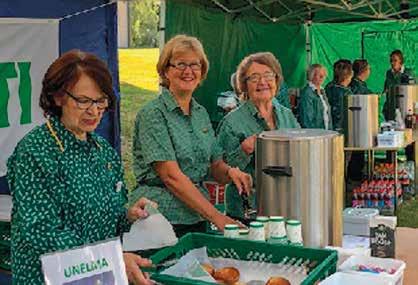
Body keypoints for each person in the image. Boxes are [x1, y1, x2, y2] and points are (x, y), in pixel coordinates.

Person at [7, 50, 154, 285]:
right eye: (83, 101)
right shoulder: (35, 152)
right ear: (57, 97)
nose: (94, 111)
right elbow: (42, 232)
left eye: (101, 101)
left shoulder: (103, 151)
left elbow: (106, 220)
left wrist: (128, 216)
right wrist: (111, 260)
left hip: (99, 278)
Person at [129, 35, 252, 237]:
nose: (188, 71)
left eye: (195, 65)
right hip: (159, 218)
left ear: (202, 71)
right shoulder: (153, 114)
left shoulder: (201, 113)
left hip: (196, 217)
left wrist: (231, 173)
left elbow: (214, 166)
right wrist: (217, 217)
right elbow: (171, 177)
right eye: (180, 64)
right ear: (166, 71)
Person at [216, 52, 300, 221]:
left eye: (268, 75)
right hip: (247, 213)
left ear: (276, 80)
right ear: (244, 85)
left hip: (286, 206)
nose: (263, 82)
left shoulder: (287, 115)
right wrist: (244, 150)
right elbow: (219, 173)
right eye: (254, 78)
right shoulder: (232, 122)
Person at [383, 49, 415, 120]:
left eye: (395, 60)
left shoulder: (408, 73)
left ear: (401, 61)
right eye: (391, 61)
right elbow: (386, 89)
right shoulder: (389, 73)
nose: (392, 63)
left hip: (405, 108)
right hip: (391, 109)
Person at [298, 64, 332, 129]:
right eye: (319, 75)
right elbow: (307, 120)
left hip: (326, 132)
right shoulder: (307, 93)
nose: (322, 77)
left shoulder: (322, 91)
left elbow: (327, 115)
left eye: (323, 74)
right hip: (316, 134)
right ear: (311, 76)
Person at [325, 59, 353, 133]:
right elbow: (339, 114)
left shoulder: (329, 86)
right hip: (340, 130)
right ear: (350, 73)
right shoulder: (343, 92)